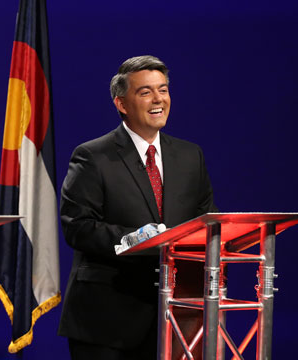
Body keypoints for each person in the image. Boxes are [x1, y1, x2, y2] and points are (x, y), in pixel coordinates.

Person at [58, 55, 217, 359]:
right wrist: (139, 239)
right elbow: (77, 228)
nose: (158, 99)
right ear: (121, 104)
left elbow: (206, 222)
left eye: (164, 90)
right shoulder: (93, 156)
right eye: (145, 92)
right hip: (107, 320)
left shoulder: (189, 156)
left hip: (177, 315)